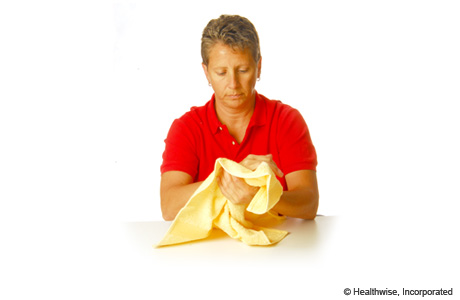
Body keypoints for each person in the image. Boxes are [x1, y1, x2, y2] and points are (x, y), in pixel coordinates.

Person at [160, 15, 318, 221]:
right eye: (221, 72)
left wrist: (260, 196)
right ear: (206, 73)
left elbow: (308, 204)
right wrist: (232, 175)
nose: (233, 84)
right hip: (208, 250)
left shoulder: (286, 120)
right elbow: (169, 207)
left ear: (258, 67)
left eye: (243, 70)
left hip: (279, 249)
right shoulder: (187, 128)